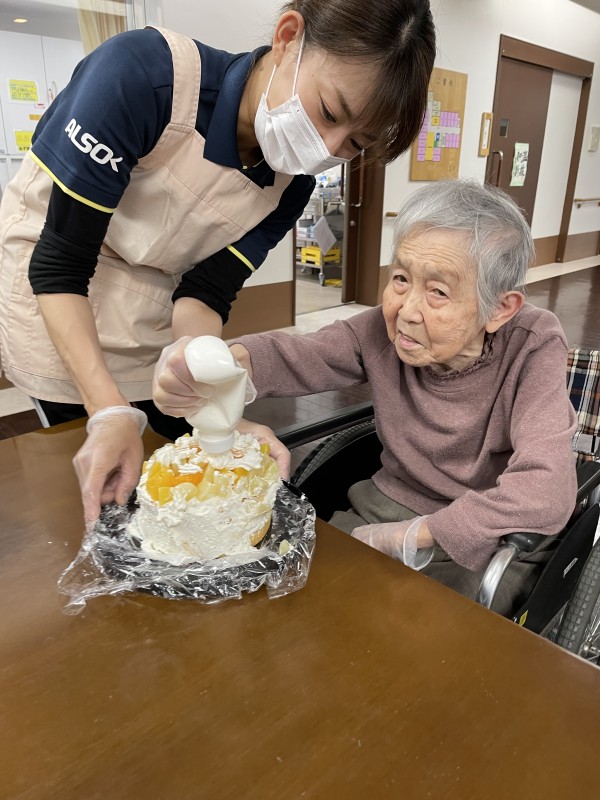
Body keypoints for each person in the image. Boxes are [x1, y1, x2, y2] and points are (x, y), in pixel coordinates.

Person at [0, 1, 436, 522]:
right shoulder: (141, 76)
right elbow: (60, 265)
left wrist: (213, 407)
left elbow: (205, 292)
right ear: (288, 36)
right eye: (328, 112)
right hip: (57, 294)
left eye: (355, 144)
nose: (327, 147)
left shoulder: (291, 189)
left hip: (148, 306)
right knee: (89, 481)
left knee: (167, 471)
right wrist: (108, 409)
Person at [154, 180, 578, 615]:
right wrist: (218, 365)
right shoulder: (378, 329)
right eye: (401, 279)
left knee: (428, 631)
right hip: (384, 507)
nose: (406, 311)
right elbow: (300, 354)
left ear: (500, 309)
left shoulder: (533, 342)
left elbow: (545, 491)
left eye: (438, 292)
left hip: (496, 533)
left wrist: (415, 535)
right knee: (293, 602)